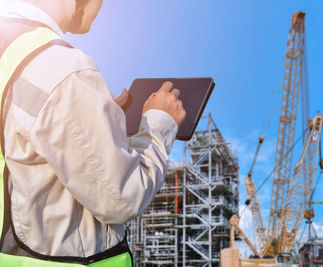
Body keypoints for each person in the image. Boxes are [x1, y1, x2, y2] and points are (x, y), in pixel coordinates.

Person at [0, 0, 186, 266]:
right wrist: (159, 123)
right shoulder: (62, 69)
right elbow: (122, 198)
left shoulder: (11, 50)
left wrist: (91, 117)